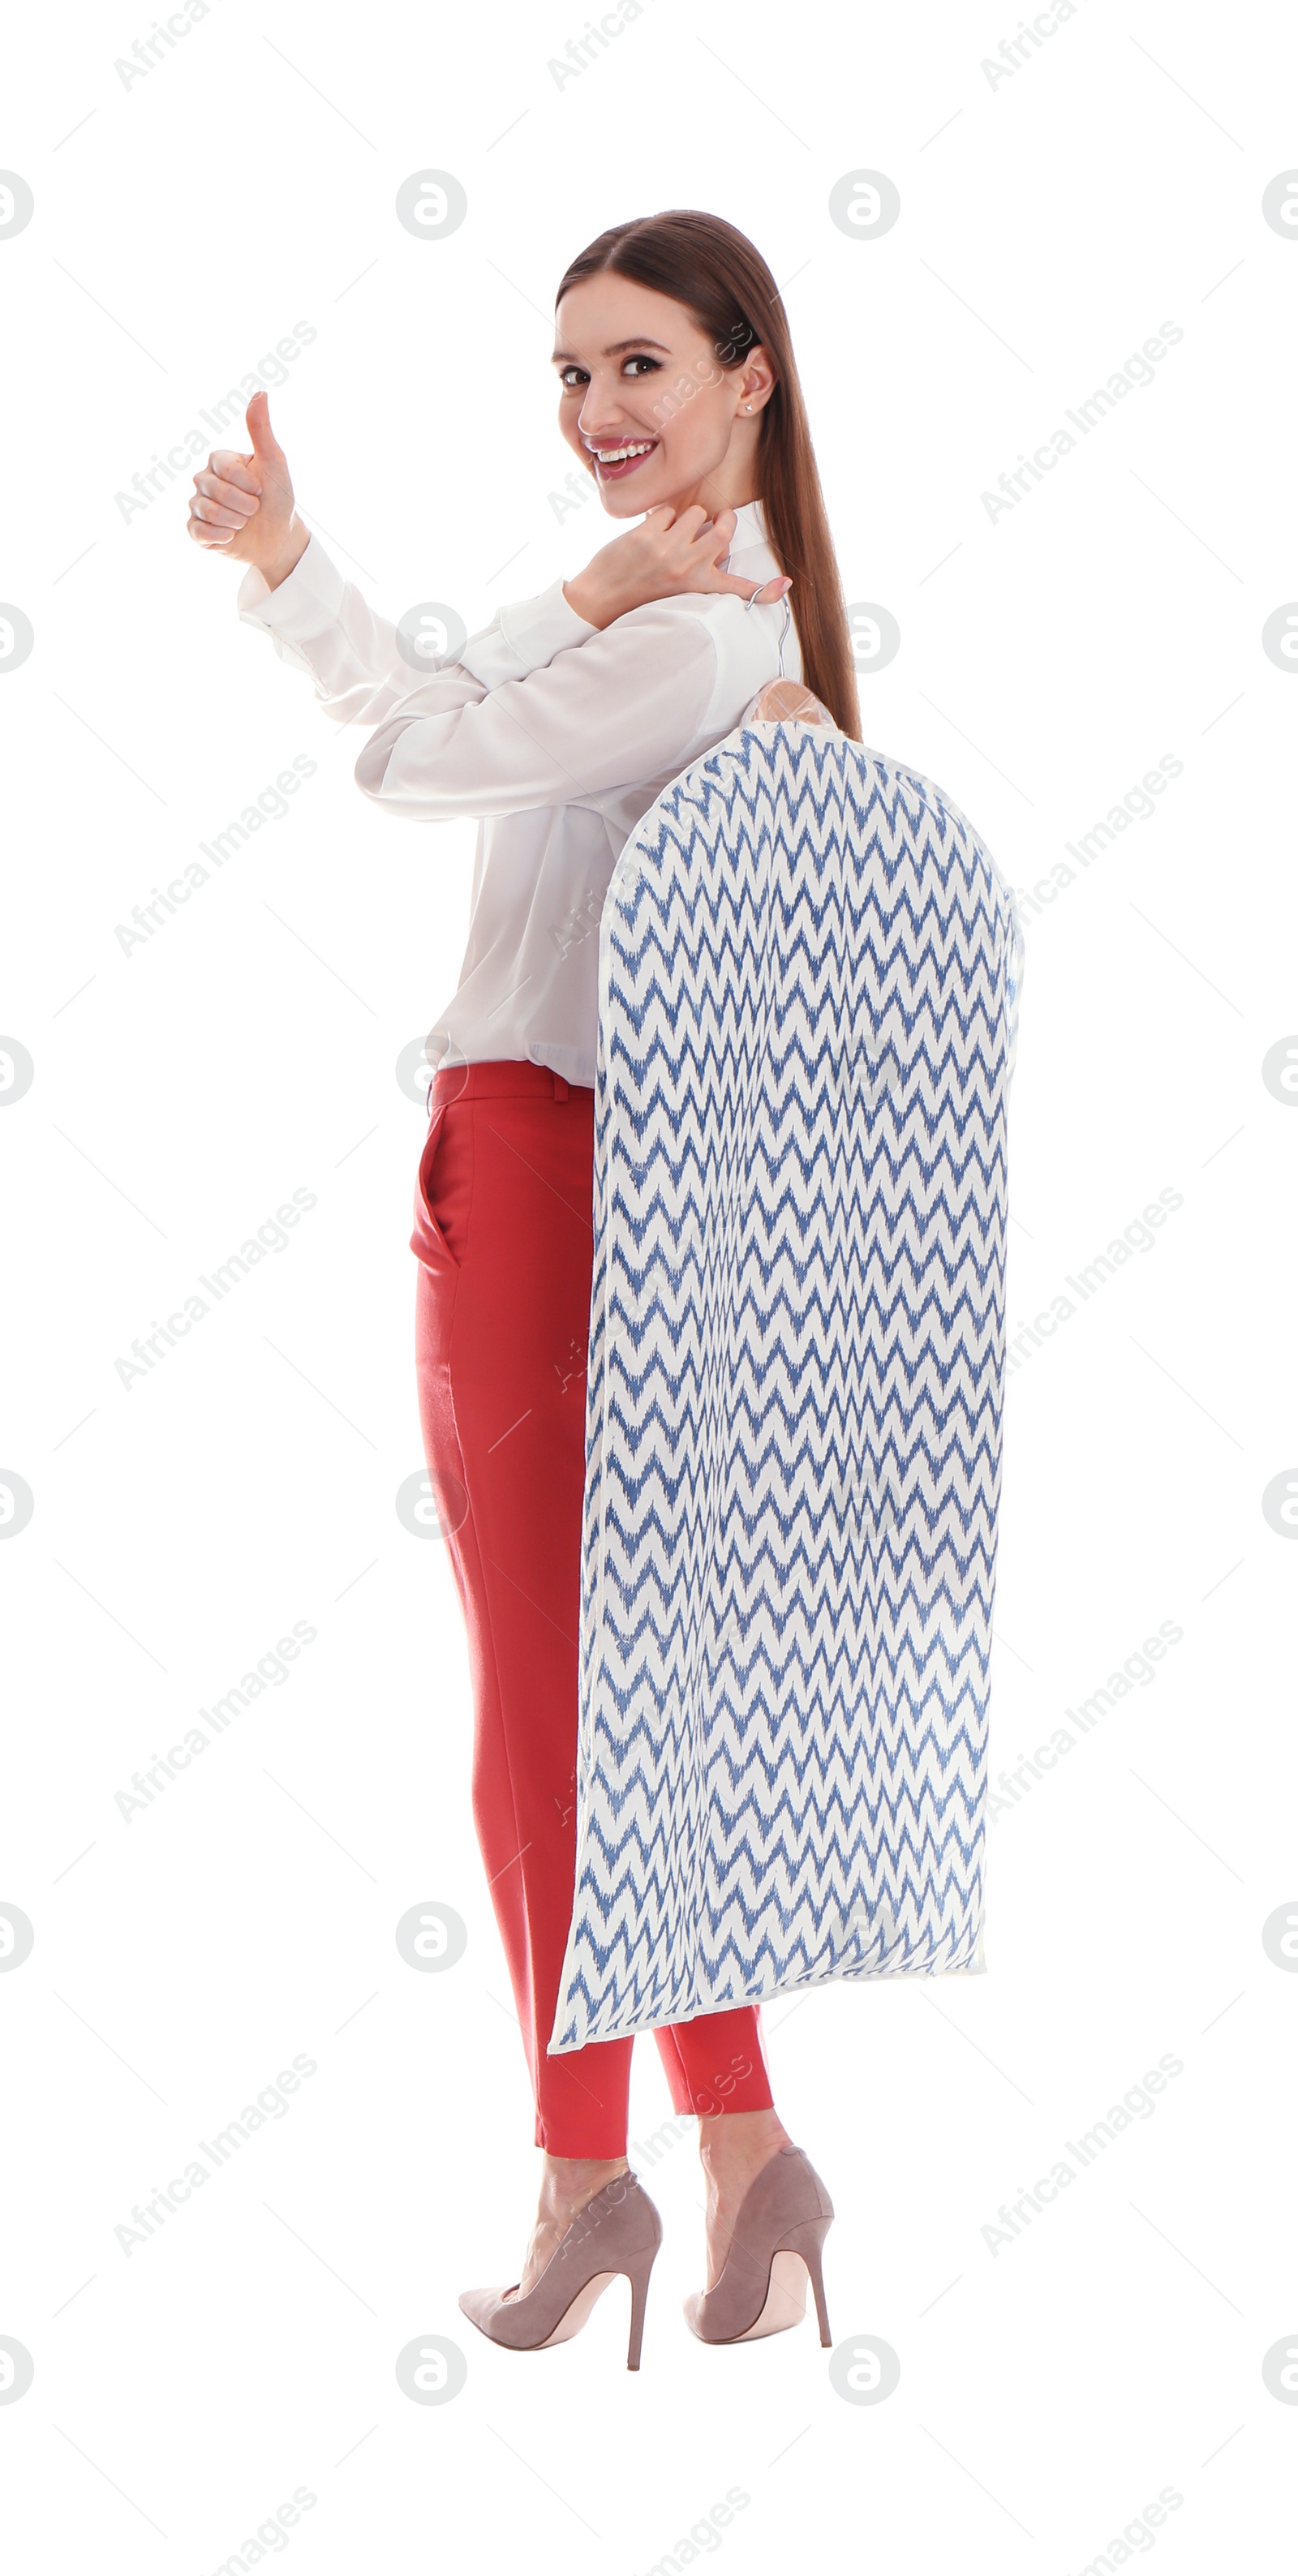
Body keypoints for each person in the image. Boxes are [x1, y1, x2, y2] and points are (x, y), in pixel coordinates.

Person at [187, 208, 858, 2367]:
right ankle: (743, 2153)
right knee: (621, 1698)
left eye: (643, 365)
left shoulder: (682, 633)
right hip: (633, 1187)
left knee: (541, 1704)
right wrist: (354, 570)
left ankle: (592, 2179)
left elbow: (415, 752)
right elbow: (474, 705)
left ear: (755, 374)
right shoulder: (715, 617)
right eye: (570, 376)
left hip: (555, 1182)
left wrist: (309, 585)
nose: (597, 415)